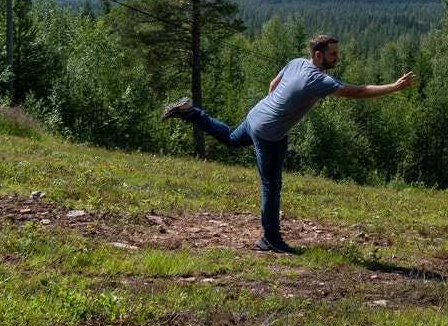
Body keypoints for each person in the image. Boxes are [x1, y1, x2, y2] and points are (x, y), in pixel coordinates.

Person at [160, 34, 416, 253]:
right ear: (318, 54)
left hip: (256, 116)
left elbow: (273, 85)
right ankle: (270, 239)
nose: (337, 58)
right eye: (334, 54)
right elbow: (357, 92)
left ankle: (191, 112)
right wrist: (393, 87)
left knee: (229, 139)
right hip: (269, 134)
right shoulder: (318, 80)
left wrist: (275, 110)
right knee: (271, 187)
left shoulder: (296, 63)